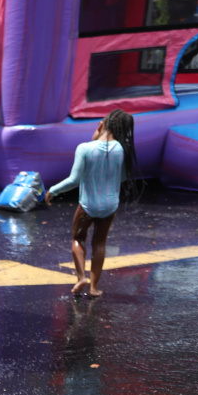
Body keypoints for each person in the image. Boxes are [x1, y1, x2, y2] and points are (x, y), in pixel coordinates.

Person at [44, 109, 136, 298]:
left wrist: (52, 191)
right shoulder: (121, 150)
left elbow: (74, 180)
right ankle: (94, 288)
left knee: (78, 239)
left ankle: (81, 278)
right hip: (110, 206)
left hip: (88, 205)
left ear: (101, 125)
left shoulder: (85, 148)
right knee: (100, 243)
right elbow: (122, 178)